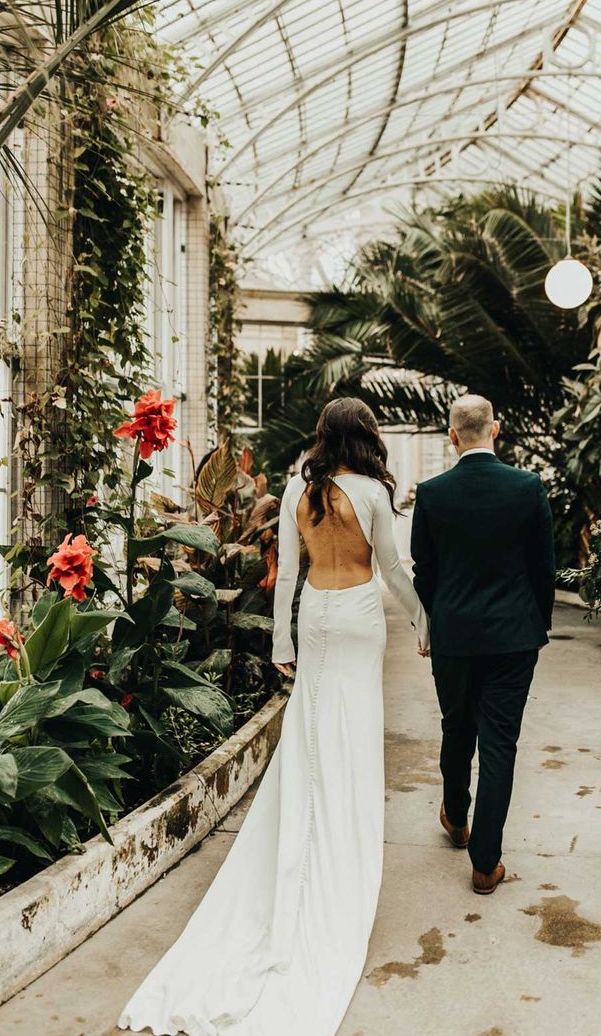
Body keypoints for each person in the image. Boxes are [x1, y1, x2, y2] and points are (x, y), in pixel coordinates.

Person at [118, 396, 428, 1036]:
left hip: (315, 616)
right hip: (359, 619)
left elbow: (284, 578)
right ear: (365, 437)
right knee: (355, 730)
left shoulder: (298, 491)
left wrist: (282, 646)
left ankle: (305, 827)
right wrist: (425, 619)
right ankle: (344, 833)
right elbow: (393, 570)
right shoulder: (371, 491)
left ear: (322, 436)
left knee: (312, 731)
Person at [410, 393, 555, 896]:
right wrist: (538, 623)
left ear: (453, 437)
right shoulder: (527, 487)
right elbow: (544, 568)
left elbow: (423, 572)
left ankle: (455, 814)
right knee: (500, 744)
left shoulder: (431, 495)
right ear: (496, 430)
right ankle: (485, 863)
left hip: (454, 638)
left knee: (457, 726)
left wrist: (441, 616)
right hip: (514, 638)